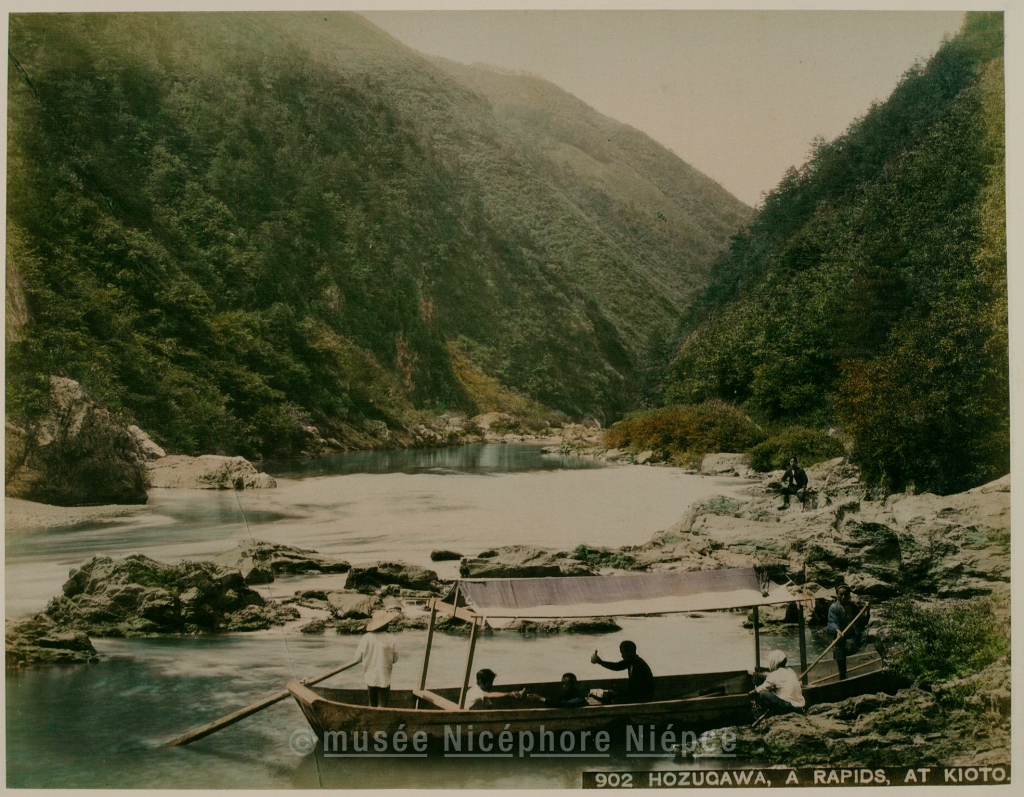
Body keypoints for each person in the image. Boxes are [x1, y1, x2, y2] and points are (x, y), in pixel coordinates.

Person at [355, 610, 400, 707]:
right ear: (385, 625)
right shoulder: (391, 638)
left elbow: (357, 659)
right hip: (384, 677)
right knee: (383, 706)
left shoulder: (366, 638)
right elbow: (395, 659)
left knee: (372, 704)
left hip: (370, 677)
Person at [827, 584, 871, 679]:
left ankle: (885, 660)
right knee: (842, 669)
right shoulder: (833, 608)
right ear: (837, 595)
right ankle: (842, 678)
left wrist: (867, 611)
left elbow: (862, 622)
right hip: (841, 641)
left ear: (849, 595)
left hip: (855, 638)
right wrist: (837, 630)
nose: (843, 597)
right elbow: (832, 623)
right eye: (841, 594)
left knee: (874, 635)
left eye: (845, 594)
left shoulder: (853, 606)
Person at [591, 641, 655, 703]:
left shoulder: (639, 666)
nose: (622, 656)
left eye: (623, 653)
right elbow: (617, 666)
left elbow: (635, 692)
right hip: (637, 696)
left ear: (628, 652)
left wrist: (617, 694)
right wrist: (600, 662)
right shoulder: (632, 661)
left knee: (614, 700)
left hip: (643, 699)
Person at [750, 649, 804, 715]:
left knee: (763, 694)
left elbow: (762, 688)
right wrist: (764, 669)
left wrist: (753, 691)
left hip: (789, 706)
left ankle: (772, 713)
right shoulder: (791, 670)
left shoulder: (774, 675)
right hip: (800, 705)